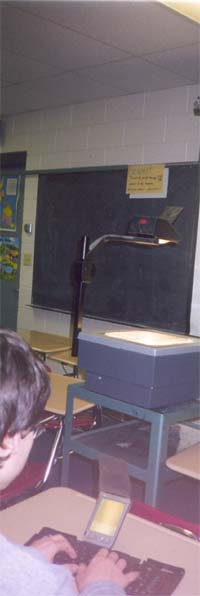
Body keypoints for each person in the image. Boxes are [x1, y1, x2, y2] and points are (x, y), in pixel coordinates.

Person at [0, 329, 138, 595]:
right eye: (35, 430)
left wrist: (22, 559)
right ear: (9, 440)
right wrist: (101, 586)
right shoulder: (46, 584)